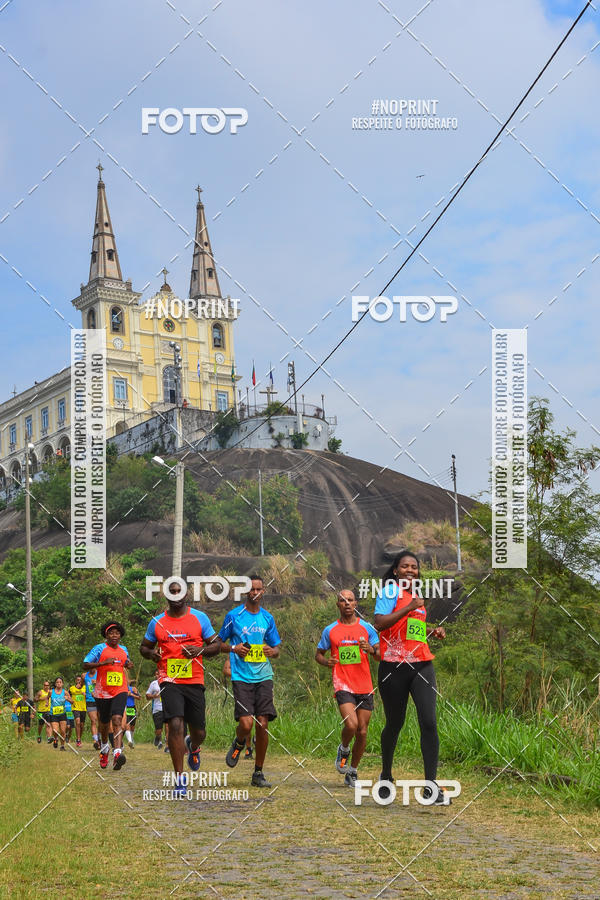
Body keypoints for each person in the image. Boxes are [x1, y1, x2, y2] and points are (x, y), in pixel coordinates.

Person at [374, 551, 448, 804]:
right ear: (395, 570)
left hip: (421, 664)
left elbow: (409, 630)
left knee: (429, 721)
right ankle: (386, 775)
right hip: (393, 667)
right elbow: (381, 623)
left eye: (414, 567)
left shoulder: (416, 596)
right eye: (404, 566)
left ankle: (431, 785)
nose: (410, 570)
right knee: (395, 723)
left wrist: (431, 631)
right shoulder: (389, 591)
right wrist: (408, 608)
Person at [140, 579, 220, 797]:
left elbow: (216, 645)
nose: (176, 595)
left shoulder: (199, 618)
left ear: (186, 594)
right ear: (167, 596)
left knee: (199, 732)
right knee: (175, 724)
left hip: (194, 680)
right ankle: (179, 779)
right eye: (171, 592)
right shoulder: (156, 622)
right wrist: (151, 654)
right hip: (169, 680)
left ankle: (193, 746)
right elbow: (144, 648)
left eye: (179, 591)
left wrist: (200, 650)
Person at [219, 575, 281, 788]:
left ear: (264, 592)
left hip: (264, 675)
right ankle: (238, 742)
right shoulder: (234, 616)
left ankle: (258, 773)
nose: (255, 593)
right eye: (251, 589)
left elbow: (276, 648)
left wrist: (272, 652)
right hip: (241, 676)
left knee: (262, 725)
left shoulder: (267, 618)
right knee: (246, 724)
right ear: (246, 592)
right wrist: (234, 648)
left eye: (259, 589)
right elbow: (219, 643)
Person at [316, 590, 380, 787]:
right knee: (351, 725)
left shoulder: (367, 628)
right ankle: (344, 748)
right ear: (338, 605)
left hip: (364, 684)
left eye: (350, 600)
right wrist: (327, 662)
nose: (347, 604)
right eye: (342, 601)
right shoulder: (330, 630)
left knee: (362, 731)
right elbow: (318, 654)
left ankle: (352, 771)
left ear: (356, 604)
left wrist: (371, 649)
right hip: (343, 683)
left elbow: (379, 654)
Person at [83, 622, 133, 770]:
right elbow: (85, 664)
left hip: (120, 689)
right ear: (106, 635)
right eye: (111, 633)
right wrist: (102, 663)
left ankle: (117, 753)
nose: (114, 635)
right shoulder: (99, 648)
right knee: (104, 723)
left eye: (117, 633)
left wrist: (128, 664)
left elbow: (126, 662)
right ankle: (105, 749)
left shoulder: (124, 649)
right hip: (102, 691)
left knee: (117, 719)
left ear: (120, 635)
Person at [222, 657, 253, 758]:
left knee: (260, 719)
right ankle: (248, 748)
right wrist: (241, 674)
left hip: (259, 686)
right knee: (247, 719)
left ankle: (252, 744)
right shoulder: (235, 651)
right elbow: (226, 670)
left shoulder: (259, 648)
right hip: (242, 688)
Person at [146, 673, 168, 751]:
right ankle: (158, 737)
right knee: (159, 730)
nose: (157, 675)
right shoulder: (154, 684)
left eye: (159, 674)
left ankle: (167, 746)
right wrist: (154, 696)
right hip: (157, 709)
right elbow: (147, 696)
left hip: (167, 708)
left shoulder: (167, 682)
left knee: (168, 726)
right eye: (156, 674)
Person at [50, 677, 72, 750]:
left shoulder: (65, 692)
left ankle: (62, 746)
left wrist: (68, 699)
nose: (59, 683)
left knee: (63, 731)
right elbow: (47, 698)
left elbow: (72, 701)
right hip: (53, 714)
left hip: (62, 714)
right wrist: (47, 703)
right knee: (55, 730)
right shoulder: (51, 692)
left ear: (62, 684)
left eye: (60, 682)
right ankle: (55, 739)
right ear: (55, 684)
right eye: (57, 682)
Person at [84, 669, 100, 749]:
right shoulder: (84, 675)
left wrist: (97, 683)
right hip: (90, 700)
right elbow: (81, 685)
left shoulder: (100, 673)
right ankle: (95, 741)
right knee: (93, 721)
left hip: (100, 699)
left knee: (101, 721)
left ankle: (100, 740)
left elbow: (105, 685)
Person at [69, 675, 87, 747]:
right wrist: (70, 700)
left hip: (83, 708)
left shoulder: (85, 687)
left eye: (80, 680)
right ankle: (78, 740)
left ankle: (79, 738)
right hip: (75, 708)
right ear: (75, 681)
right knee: (78, 722)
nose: (79, 681)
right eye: (77, 680)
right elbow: (68, 696)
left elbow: (89, 695)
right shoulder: (72, 688)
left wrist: (85, 694)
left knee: (82, 725)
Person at [124, 680, 141, 748]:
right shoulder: (121, 688)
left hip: (132, 708)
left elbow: (139, 697)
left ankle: (131, 739)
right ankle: (130, 741)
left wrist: (132, 694)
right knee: (127, 724)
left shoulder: (133, 688)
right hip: (125, 707)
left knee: (132, 726)